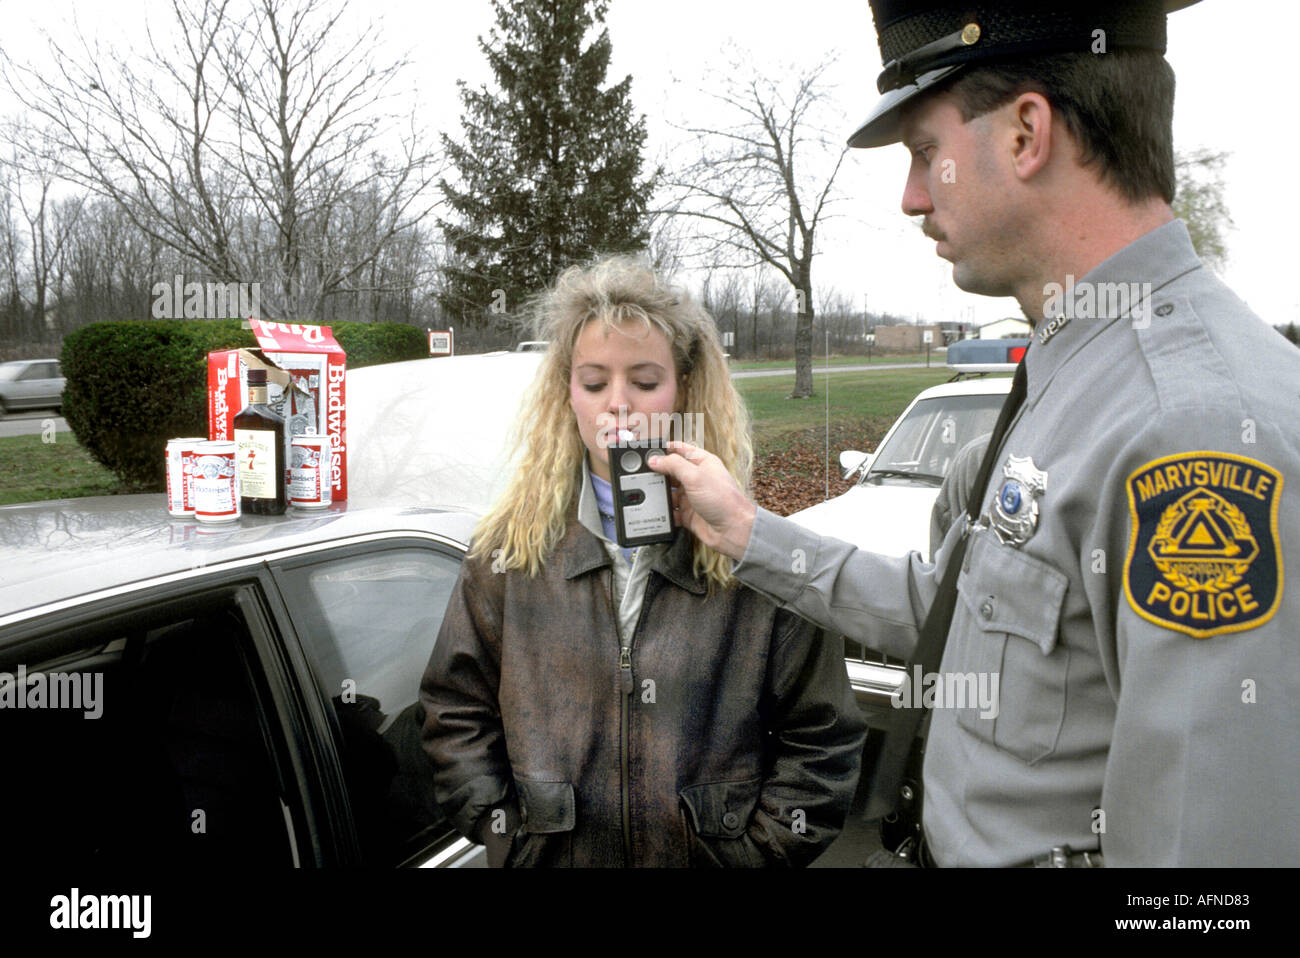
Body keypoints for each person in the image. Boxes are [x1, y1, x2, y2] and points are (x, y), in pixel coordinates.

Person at [650, 0, 1300, 867]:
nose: (913, 197)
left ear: (1027, 133)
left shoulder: (1194, 430)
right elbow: (952, 612)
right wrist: (744, 531)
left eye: (926, 152)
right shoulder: (1079, 366)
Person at [419, 256, 866, 867]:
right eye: (595, 382)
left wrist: (748, 857)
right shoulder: (508, 553)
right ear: (567, 393)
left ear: (684, 388)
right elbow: (454, 712)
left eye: (645, 381)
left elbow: (823, 741)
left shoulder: (756, 558)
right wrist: (515, 839)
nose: (618, 406)